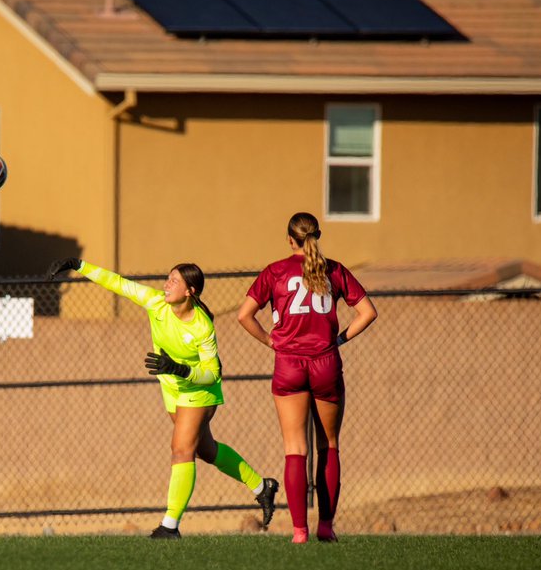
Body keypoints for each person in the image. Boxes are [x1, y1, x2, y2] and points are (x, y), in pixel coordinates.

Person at [47, 257, 279, 539]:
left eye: (174, 281)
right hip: (171, 388)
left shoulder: (202, 326)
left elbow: (212, 373)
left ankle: (170, 526)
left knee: (181, 449)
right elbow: (118, 284)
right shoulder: (156, 302)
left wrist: (180, 369)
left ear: (190, 291)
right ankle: (261, 486)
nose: (166, 284)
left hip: (199, 391)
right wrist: (79, 265)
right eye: (168, 278)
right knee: (205, 449)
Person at [237, 212, 377, 544]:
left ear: (290, 239)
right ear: (317, 236)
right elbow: (368, 312)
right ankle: (325, 527)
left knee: (294, 448)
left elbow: (244, 315)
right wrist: (339, 339)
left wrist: (271, 340)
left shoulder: (275, 271)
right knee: (329, 445)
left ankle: (299, 531)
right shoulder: (334, 270)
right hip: (326, 362)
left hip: (289, 364)